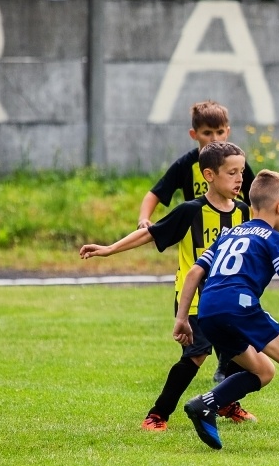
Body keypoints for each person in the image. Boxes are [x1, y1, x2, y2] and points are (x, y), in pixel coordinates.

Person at [80, 141, 258, 431]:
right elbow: (151, 234)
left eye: (241, 172)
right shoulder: (190, 211)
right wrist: (109, 249)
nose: (240, 178)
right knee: (197, 354)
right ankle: (157, 415)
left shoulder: (243, 212)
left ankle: (226, 403)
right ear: (209, 176)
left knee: (244, 351)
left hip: (230, 299)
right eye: (232, 172)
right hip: (196, 299)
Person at [173, 169, 279, 451]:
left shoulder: (228, 235)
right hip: (240, 307)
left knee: (263, 371)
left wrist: (182, 320)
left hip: (209, 310)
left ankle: (205, 404)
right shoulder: (273, 238)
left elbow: (194, 274)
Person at [138, 100, 255, 384]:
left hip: (227, 243)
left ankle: (226, 372)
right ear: (194, 135)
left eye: (219, 132)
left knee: (236, 323)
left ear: (227, 132)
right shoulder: (186, 166)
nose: (213, 139)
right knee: (199, 338)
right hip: (196, 235)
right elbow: (156, 192)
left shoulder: (236, 166)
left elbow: (255, 196)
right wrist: (145, 218)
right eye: (206, 133)